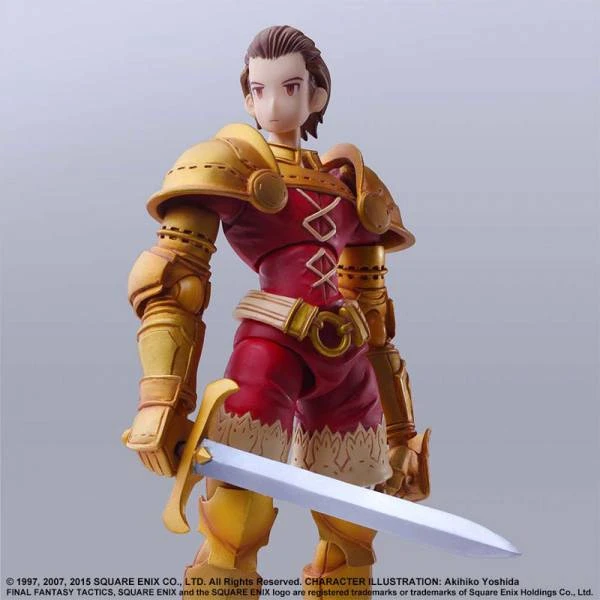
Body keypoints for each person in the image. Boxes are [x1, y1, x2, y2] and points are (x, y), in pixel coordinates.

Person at [124, 25, 431, 598]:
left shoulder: (352, 187)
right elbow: (172, 281)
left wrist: (401, 433)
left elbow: (375, 316)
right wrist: (162, 399)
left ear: (317, 94)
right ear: (247, 97)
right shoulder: (228, 165)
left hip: (349, 361)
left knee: (353, 523)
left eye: (290, 87)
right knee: (237, 508)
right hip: (270, 347)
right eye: (258, 89)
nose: (272, 103)